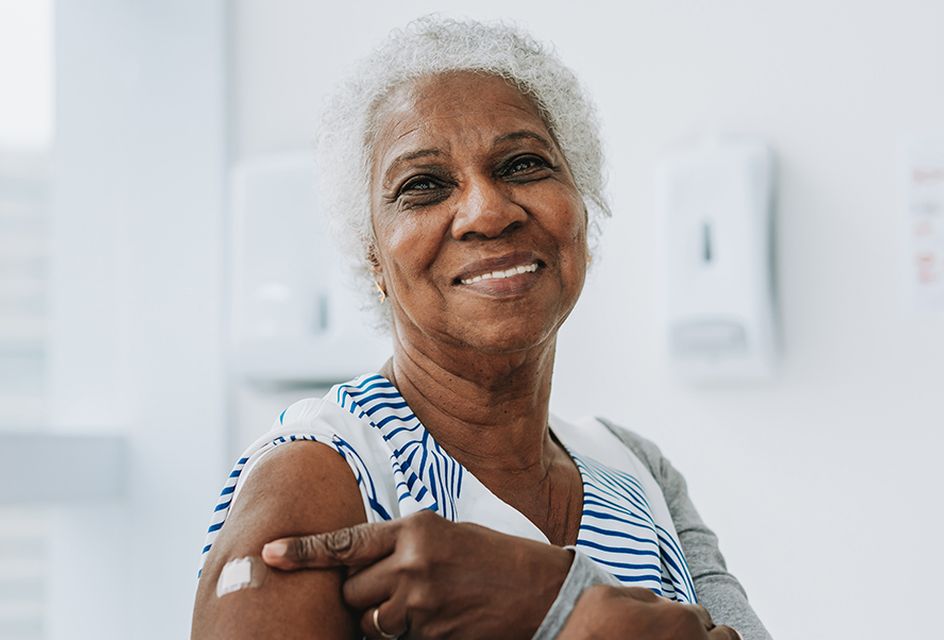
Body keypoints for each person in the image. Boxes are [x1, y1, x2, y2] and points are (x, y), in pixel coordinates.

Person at [191, 17, 771, 640]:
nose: (488, 212)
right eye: (424, 185)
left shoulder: (636, 471)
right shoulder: (325, 473)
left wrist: (551, 597)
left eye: (523, 164)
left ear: (583, 207)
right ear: (373, 256)